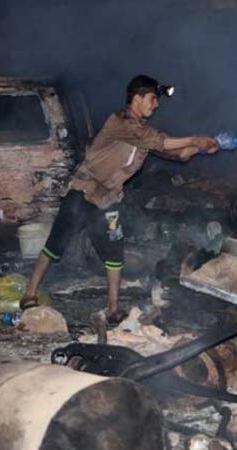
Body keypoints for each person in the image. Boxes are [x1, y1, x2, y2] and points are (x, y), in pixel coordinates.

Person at [20, 74, 220, 324]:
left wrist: (202, 148)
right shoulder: (120, 122)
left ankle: (113, 309)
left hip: (107, 200)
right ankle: (29, 294)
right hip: (82, 193)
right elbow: (160, 142)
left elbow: (176, 154)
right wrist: (194, 139)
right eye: (152, 99)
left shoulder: (143, 131)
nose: (156, 105)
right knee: (55, 245)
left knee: (115, 252)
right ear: (137, 98)